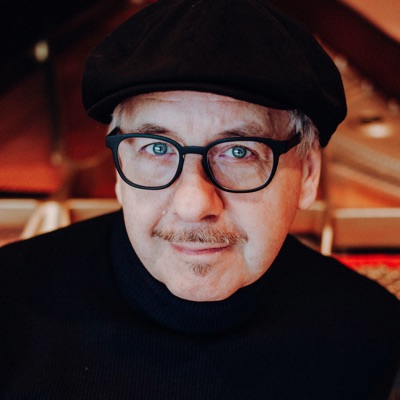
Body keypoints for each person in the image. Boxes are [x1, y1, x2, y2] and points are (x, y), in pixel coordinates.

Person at [1, 0, 399, 398]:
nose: (193, 205)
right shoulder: (8, 306)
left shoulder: (373, 335)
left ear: (308, 174)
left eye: (239, 152)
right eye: (157, 148)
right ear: (119, 170)